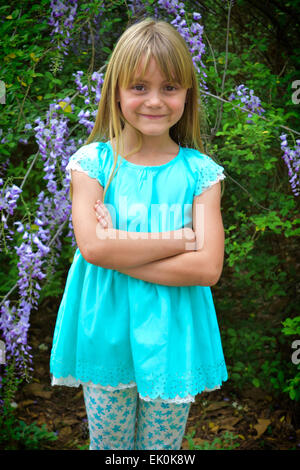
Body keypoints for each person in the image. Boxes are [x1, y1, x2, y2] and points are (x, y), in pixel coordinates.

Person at [50, 17, 228, 451]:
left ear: (187, 93)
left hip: (173, 334)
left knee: (161, 453)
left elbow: (207, 268)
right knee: (111, 449)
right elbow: (93, 247)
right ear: (115, 91)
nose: (154, 100)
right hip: (106, 330)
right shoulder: (93, 164)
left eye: (169, 87)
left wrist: (122, 249)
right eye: (139, 87)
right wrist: (184, 239)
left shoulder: (200, 172)